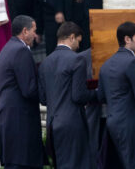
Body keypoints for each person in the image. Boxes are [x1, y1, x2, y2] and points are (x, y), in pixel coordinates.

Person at [97, 21, 135, 169]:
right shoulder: (132, 62)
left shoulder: (105, 65)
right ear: (127, 39)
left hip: (113, 123)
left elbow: (101, 97)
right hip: (132, 123)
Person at [38, 22, 97, 168]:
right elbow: (79, 96)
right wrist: (97, 93)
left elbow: (43, 99)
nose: (78, 46)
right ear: (71, 37)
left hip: (52, 125)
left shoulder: (45, 63)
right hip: (73, 124)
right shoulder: (77, 59)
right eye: (78, 41)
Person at [0, 15, 42, 168]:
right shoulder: (21, 51)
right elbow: (29, 89)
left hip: (8, 120)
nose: (35, 35)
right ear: (25, 31)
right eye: (34, 30)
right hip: (19, 122)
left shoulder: (7, 49)